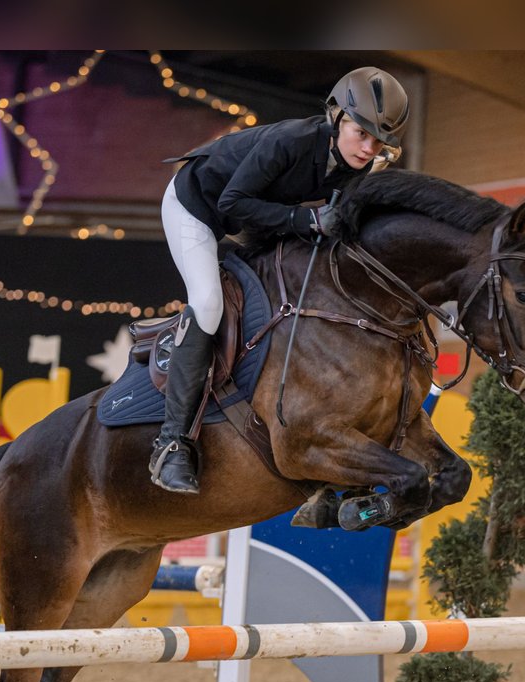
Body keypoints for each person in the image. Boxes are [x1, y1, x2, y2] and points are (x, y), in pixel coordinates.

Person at [151, 66, 411, 495]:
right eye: (361, 134)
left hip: (255, 217)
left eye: (379, 141)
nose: (369, 148)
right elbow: (232, 203)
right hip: (196, 204)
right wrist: (304, 219)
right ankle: (172, 443)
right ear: (336, 116)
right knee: (209, 302)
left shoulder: (355, 163)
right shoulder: (289, 140)